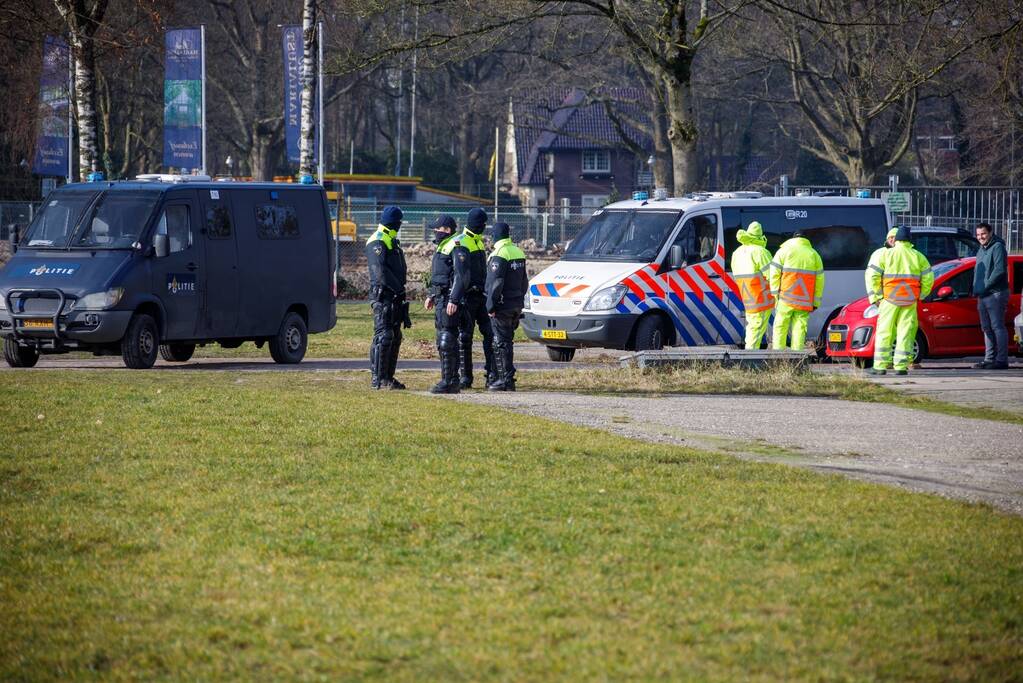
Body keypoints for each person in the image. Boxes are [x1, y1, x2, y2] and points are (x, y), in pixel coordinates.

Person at [868, 225, 934, 375]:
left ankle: (880, 366)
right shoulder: (918, 256)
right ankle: (901, 367)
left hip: (889, 300)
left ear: (896, 240)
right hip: (909, 301)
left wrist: (877, 296)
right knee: (906, 333)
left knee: (885, 331)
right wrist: (921, 295)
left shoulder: (886, 255)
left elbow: (872, 276)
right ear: (910, 240)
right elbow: (929, 279)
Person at [448, 207, 495, 388]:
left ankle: (491, 374)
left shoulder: (478, 242)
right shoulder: (462, 242)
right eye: (482, 224)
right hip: (467, 298)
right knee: (465, 337)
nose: (484, 227)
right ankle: (465, 377)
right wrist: (455, 298)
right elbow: (461, 275)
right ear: (477, 224)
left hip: (481, 297)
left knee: (490, 335)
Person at [365, 205, 409, 389]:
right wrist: (397, 288)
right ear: (394, 222)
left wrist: (400, 292)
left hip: (395, 296)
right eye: (398, 222)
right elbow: (380, 272)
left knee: (395, 336)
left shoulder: (391, 239)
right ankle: (378, 379)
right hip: (383, 296)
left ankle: (388, 377)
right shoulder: (378, 240)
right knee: (384, 336)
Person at [484, 221, 528, 391]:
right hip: (516, 303)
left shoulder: (499, 254)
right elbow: (524, 281)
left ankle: (506, 379)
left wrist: (490, 306)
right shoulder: (518, 251)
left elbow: (496, 283)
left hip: (502, 305)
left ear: (494, 236)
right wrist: (520, 300)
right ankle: (506, 377)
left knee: (501, 343)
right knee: (507, 341)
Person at [769, 230, 824, 351]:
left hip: (785, 297)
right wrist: (815, 303)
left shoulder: (783, 251)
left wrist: (774, 294)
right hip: (805, 300)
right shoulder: (814, 254)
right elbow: (820, 282)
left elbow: (774, 273)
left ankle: (778, 357)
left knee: (780, 326)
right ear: (806, 240)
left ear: (793, 239)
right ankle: (797, 358)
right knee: (799, 328)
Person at [425, 215, 461, 393]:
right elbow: (441, 275)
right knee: (442, 339)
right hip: (440, 299)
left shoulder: (455, 246)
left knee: (447, 339)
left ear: (447, 230)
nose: (435, 232)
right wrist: (432, 295)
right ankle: (450, 378)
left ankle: (450, 381)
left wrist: (453, 299)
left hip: (448, 300)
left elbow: (460, 276)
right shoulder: (443, 246)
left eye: (437, 229)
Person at [730, 220, 774, 350]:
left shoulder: (737, 252)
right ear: (760, 236)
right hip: (761, 295)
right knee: (757, 326)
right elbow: (772, 274)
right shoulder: (760, 251)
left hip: (746, 294)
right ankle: (750, 358)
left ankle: (750, 354)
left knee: (753, 325)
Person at [973, 222, 1010, 370]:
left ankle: (1001, 360)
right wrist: (976, 288)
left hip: (995, 293)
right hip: (982, 294)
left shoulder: (998, 247)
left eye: (983, 234)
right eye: (978, 235)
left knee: (997, 326)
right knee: (986, 327)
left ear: (990, 233)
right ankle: (989, 359)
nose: (980, 237)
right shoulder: (981, 249)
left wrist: (985, 286)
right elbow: (978, 271)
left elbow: (999, 270)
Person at [865, 227, 899, 305]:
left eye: (896, 238)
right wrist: (877, 298)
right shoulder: (880, 253)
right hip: (885, 299)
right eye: (891, 237)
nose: (893, 240)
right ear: (887, 239)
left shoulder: (902, 253)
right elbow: (871, 277)